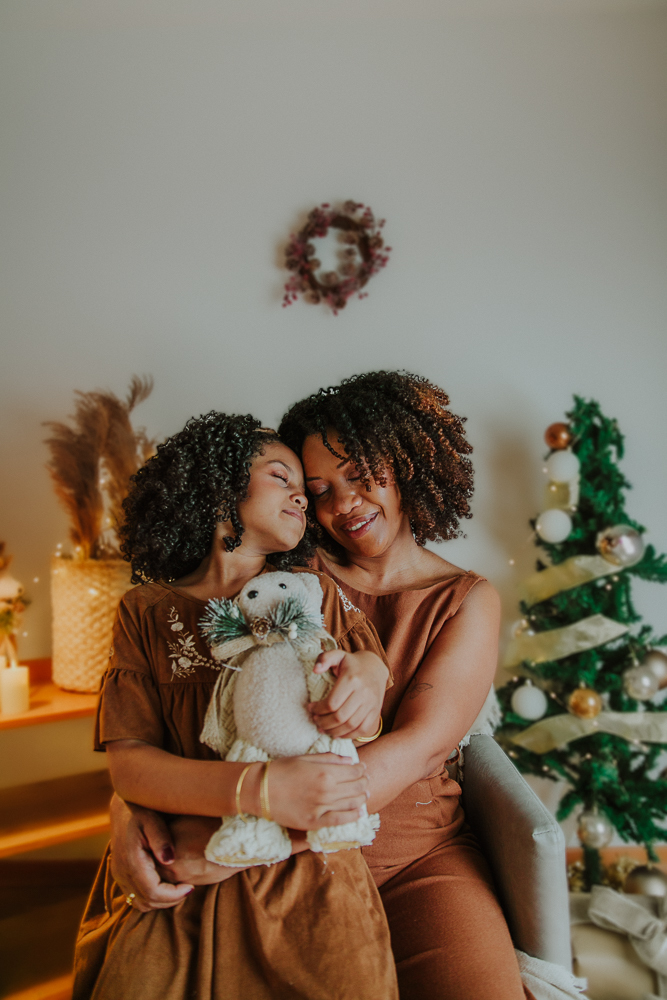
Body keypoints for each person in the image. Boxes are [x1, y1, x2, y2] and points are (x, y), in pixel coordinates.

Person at [107, 374, 536, 1000]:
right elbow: (191, 710)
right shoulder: (283, 571)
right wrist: (130, 811)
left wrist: (238, 843)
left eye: (363, 474)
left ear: (408, 460)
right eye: (318, 491)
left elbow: (417, 748)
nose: (345, 504)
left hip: (407, 856)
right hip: (267, 848)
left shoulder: (465, 600)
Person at [72, 411, 399, 1000]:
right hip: (180, 870)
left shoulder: (317, 591)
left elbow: (364, 724)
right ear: (220, 486)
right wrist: (258, 791)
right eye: (282, 476)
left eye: (306, 488)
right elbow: (130, 764)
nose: (304, 495)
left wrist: (368, 683)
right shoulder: (144, 612)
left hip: (308, 879)